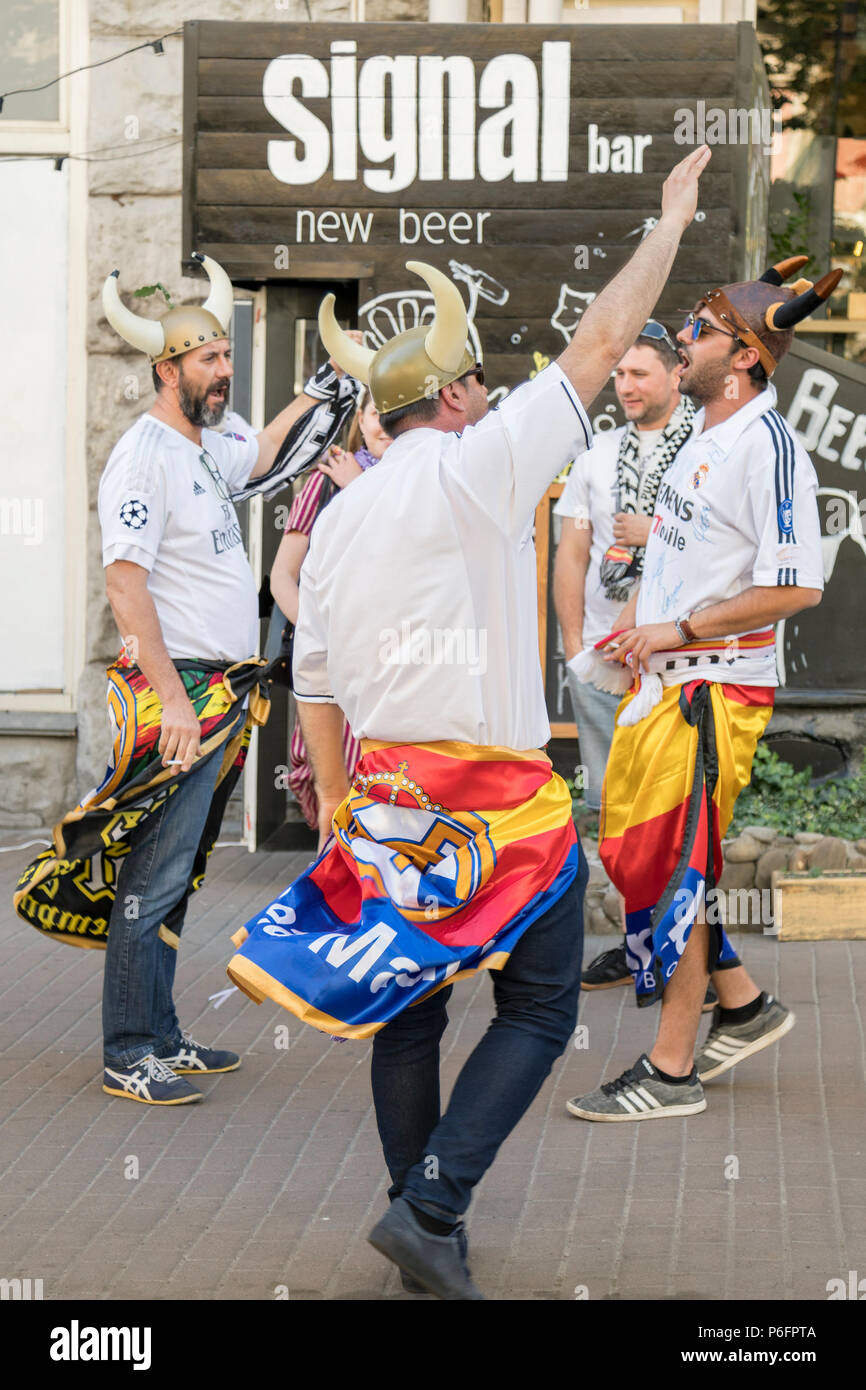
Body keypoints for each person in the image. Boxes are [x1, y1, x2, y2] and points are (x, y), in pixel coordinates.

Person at [226, 147, 713, 1298]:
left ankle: (418, 1220)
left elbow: (318, 681)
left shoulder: (341, 515)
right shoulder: (482, 466)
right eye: (482, 382)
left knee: (408, 1009)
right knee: (541, 1004)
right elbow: (598, 344)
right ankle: (433, 1200)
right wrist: (668, 223)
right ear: (450, 395)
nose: (494, 395)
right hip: (493, 796)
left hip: (388, 795)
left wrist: (338, 805)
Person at [14, 254, 360, 1106]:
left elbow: (270, 452)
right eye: (208, 362)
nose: (224, 372)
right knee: (156, 873)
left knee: (183, 869)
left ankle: (162, 1036)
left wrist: (321, 386)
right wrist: (172, 700)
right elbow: (124, 584)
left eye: (228, 358)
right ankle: (130, 1049)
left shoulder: (212, 443)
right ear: (164, 370)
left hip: (221, 691)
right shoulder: (143, 457)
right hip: (179, 696)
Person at [567, 254, 838, 1122]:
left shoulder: (771, 447)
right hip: (663, 682)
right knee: (638, 858)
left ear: (748, 355)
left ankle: (671, 1070)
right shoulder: (705, 436)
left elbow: (798, 586)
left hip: (715, 692)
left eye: (704, 331)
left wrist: (678, 631)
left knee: (679, 870)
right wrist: (637, 628)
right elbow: (680, 550)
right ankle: (746, 1004)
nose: (687, 340)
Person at [553, 322, 696, 991]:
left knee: (674, 815)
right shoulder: (597, 454)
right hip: (604, 663)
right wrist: (574, 645)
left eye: (640, 373)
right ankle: (640, 946)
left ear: (674, 372)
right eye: (620, 375)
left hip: (678, 662)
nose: (626, 386)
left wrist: (661, 531)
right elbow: (572, 551)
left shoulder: (705, 448)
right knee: (614, 815)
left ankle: (681, 956)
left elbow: (732, 545)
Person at [270, 388, 393, 835]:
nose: (382, 425)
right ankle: (335, 883)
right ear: (360, 419)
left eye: (393, 413)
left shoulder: (414, 479)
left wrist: (359, 488)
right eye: (376, 413)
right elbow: (282, 575)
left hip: (397, 662)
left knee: (387, 790)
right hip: (335, 667)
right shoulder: (326, 480)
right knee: (335, 794)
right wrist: (319, 631)